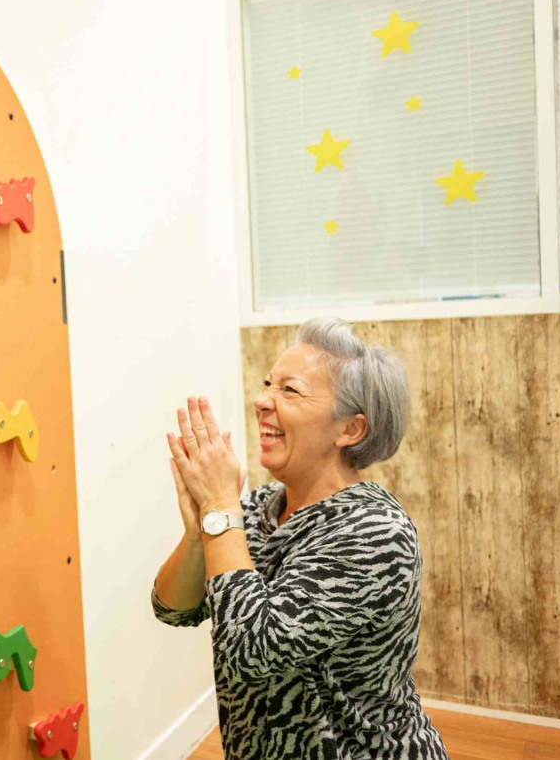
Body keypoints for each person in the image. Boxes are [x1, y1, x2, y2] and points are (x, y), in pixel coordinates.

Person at [153, 318, 448, 759]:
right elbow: (173, 609)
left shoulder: (376, 533)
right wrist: (201, 533)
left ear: (350, 429)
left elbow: (250, 653)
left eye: (289, 390)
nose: (261, 401)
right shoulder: (257, 508)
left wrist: (219, 507)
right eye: (268, 384)